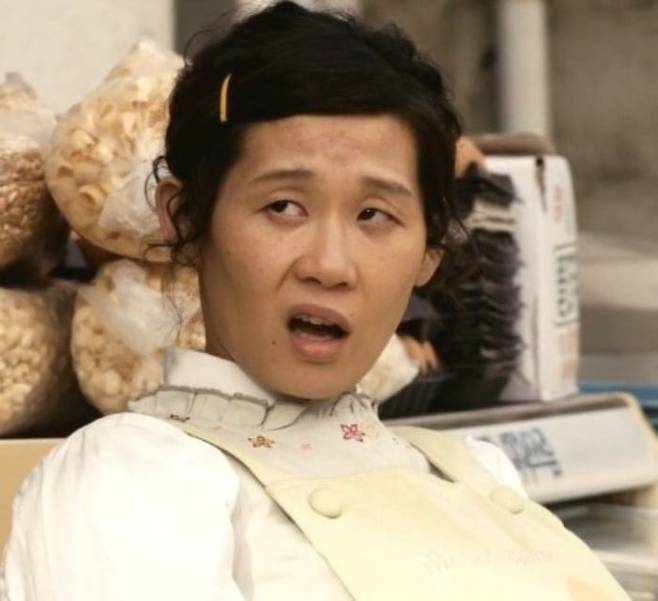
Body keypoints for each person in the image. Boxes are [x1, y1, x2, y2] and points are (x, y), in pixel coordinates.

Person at [0, 3, 629, 600]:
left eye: (375, 215)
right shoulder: (135, 475)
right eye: (284, 207)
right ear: (186, 219)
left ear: (429, 253)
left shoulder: (477, 472)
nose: (329, 266)